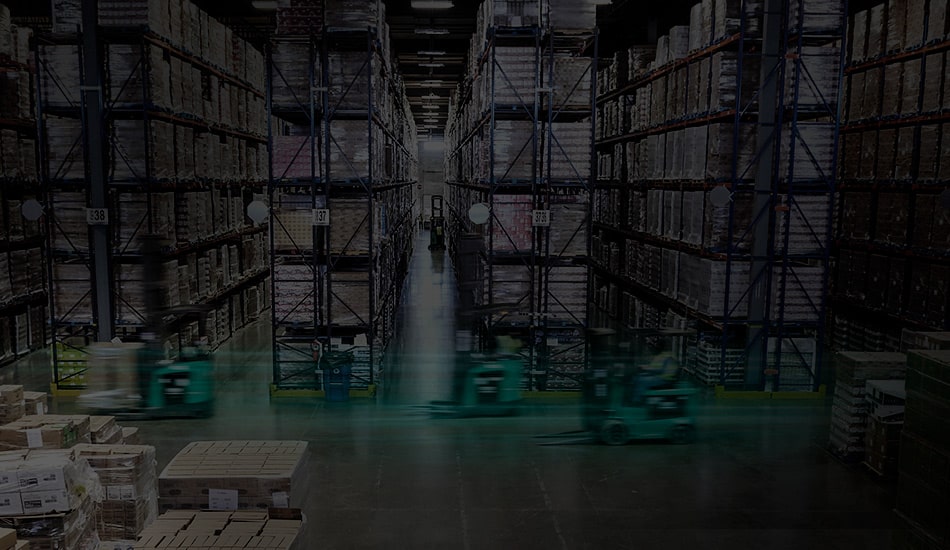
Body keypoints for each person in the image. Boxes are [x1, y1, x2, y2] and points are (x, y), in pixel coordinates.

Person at [633, 339, 679, 403]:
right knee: (636, 378)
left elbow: (662, 370)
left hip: (664, 379)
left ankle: (637, 402)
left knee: (641, 381)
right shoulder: (660, 355)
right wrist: (644, 367)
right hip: (658, 377)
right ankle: (638, 398)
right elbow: (654, 367)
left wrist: (647, 369)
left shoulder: (669, 357)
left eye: (655, 346)